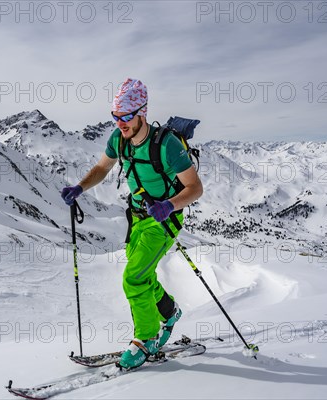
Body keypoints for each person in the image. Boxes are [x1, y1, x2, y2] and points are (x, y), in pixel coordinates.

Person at [61, 78, 203, 369]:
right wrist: (79, 188)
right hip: (137, 217)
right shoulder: (118, 139)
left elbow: (195, 188)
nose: (120, 123)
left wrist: (168, 205)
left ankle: (146, 339)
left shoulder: (166, 145)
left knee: (133, 277)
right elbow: (102, 168)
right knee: (143, 273)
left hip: (165, 220)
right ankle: (169, 311)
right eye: (116, 117)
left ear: (142, 112)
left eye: (126, 117)